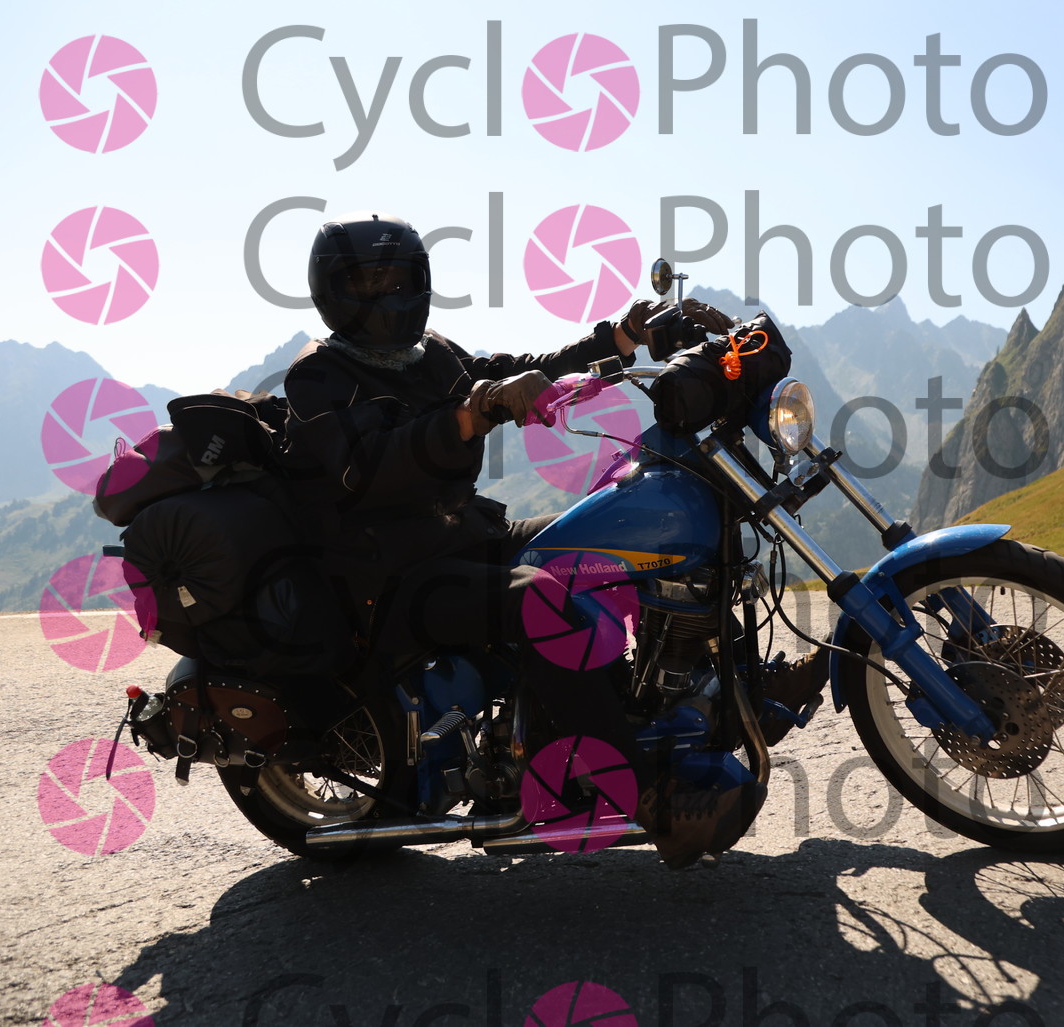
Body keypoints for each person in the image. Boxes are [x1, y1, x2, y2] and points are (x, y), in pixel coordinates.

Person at [283, 210, 781, 868]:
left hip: (461, 536)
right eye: (368, 281)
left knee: (620, 540)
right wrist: (473, 411)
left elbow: (522, 368)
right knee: (540, 599)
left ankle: (734, 698)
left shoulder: (430, 354)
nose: (387, 294)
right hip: (387, 577)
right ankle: (651, 802)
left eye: (398, 277)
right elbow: (367, 466)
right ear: (332, 289)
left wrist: (624, 334)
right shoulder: (316, 376)